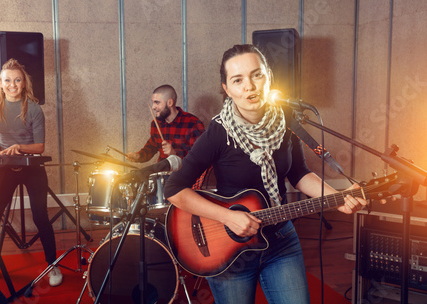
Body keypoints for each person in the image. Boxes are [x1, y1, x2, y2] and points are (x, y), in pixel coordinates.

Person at [163, 44, 368, 304]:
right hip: (230, 248)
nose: (249, 86)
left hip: (281, 239)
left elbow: (299, 174)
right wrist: (228, 217)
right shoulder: (218, 132)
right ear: (227, 89)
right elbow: (174, 190)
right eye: (238, 80)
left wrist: (339, 197)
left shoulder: (286, 121)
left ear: (268, 77)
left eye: (256, 75)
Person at [0, 58, 62, 287]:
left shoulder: (33, 108)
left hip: (32, 168)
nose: (12, 84)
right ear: (0, 83)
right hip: (6, 167)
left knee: (40, 216)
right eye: (7, 80)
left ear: (24, 83)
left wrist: (19, 147)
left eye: (17, 80)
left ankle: (53, 265)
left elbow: (40, 147)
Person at [126, 84, 205, 164]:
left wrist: (174, 154)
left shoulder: (193, 123)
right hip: (162, 173)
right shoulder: (156, 123)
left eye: (157, 102)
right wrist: (139, 156)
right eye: (153, 102)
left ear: (170, 102)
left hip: (185, 174)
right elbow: (152, 146)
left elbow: (200, 157)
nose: (153, 107)